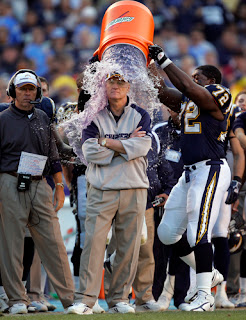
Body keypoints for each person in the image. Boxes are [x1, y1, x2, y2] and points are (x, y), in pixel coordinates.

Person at [149, 45, 232, 311]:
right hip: (189, 172)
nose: (193, 79)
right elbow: (162, 91)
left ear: (212, 81)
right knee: (167, 233)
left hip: (211, 168)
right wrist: (146, 65)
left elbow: (187, 87)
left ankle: (205, 294)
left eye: (198, 76)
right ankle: (210, 273)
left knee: (199, 232)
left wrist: (164, 60)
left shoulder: (219, 93)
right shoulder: (187, 99)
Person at [66, 71, 152, 315]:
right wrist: (125, 145)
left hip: (134, 186)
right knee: (93, 245)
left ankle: (119, 299)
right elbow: (91, 153)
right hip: (102, 188)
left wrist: (107, 142)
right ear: (104, 85)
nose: (115, 86)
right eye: (111, 81)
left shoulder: (141, 114)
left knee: (128, 246)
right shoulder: (93, 115)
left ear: (128, 87)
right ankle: (86, 300)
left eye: (120, 82)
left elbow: (142, 147)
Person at [0, 69, 75, 315]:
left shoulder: (43, 117)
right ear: (12, 92)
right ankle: (17, 300)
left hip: (40, 183)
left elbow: (53, 155)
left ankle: (70, 300)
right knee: (12, 245)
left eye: (31, 89)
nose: (27, 93)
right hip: (10, 182)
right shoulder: (2, 119)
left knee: (54, 243)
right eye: (22, 89)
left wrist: (60, 186)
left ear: (38, 92)